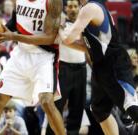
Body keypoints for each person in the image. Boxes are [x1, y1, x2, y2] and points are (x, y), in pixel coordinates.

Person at [0, 0, 65, 135]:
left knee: (47, 102)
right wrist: (1, 33)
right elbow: (15, 22)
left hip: (44, 57)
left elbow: (50, 38)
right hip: (20, 54)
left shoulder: (53, 2)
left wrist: (13, 36)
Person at [60, 0, 138, 135]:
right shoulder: (85, 10)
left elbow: (68, 38)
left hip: (113, 63)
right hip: (100, 66)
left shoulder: (90, 8)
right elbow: (86, 47)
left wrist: (59, 28)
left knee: (132, 108)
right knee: (100, 110)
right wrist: (62, 37)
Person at [46, 0, 88, 135]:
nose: (73, 9)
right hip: (64, 69)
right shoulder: (60, 23)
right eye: (70, 6)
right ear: (65, 8)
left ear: (79, 7)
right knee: (57, 107)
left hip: (81, 69)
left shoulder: (85, 24)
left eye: (75, 6)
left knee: (77, 108)